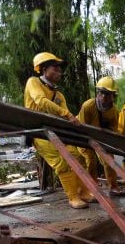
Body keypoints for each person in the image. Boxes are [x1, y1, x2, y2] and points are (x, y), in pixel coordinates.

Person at [24, 52, 96, 209]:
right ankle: (73, 197)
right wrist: (67, 114)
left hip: (57, 132)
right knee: (62, 162)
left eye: (59, 69)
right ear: (44, 69)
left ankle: (84, 192)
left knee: (78, 157)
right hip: (39, 132)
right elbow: (41, 101)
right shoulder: (33, 82)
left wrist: (73, 119)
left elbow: (65, 116)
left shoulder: (59, 95)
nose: (59, 72)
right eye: (55, 69)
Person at [77, 76, 125, 196]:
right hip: (82, 136)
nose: (104, 96)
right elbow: (81, 127)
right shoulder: (87, 106)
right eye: (102, 93)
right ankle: (92, 187)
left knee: (109, 159)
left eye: (108, 94)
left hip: (101, 137)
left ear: (112, 95)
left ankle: (113, 186)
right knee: (90, 160)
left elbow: (113, 130)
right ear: (98, 93)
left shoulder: (114, 111)